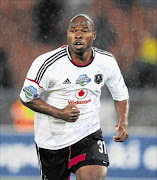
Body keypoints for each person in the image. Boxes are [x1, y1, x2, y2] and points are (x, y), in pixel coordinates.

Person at [20, 14, 129, 180]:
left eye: (84, 31)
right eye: (73, 31)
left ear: (94, 35)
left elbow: (120, 93)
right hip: (52, 142)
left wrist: (123, 122)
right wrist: (59, 112)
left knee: (94, 176)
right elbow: (26, 97)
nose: (78, 35)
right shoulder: (47, 63)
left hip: (88, 135)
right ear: (67, 35)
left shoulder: (107, 62)